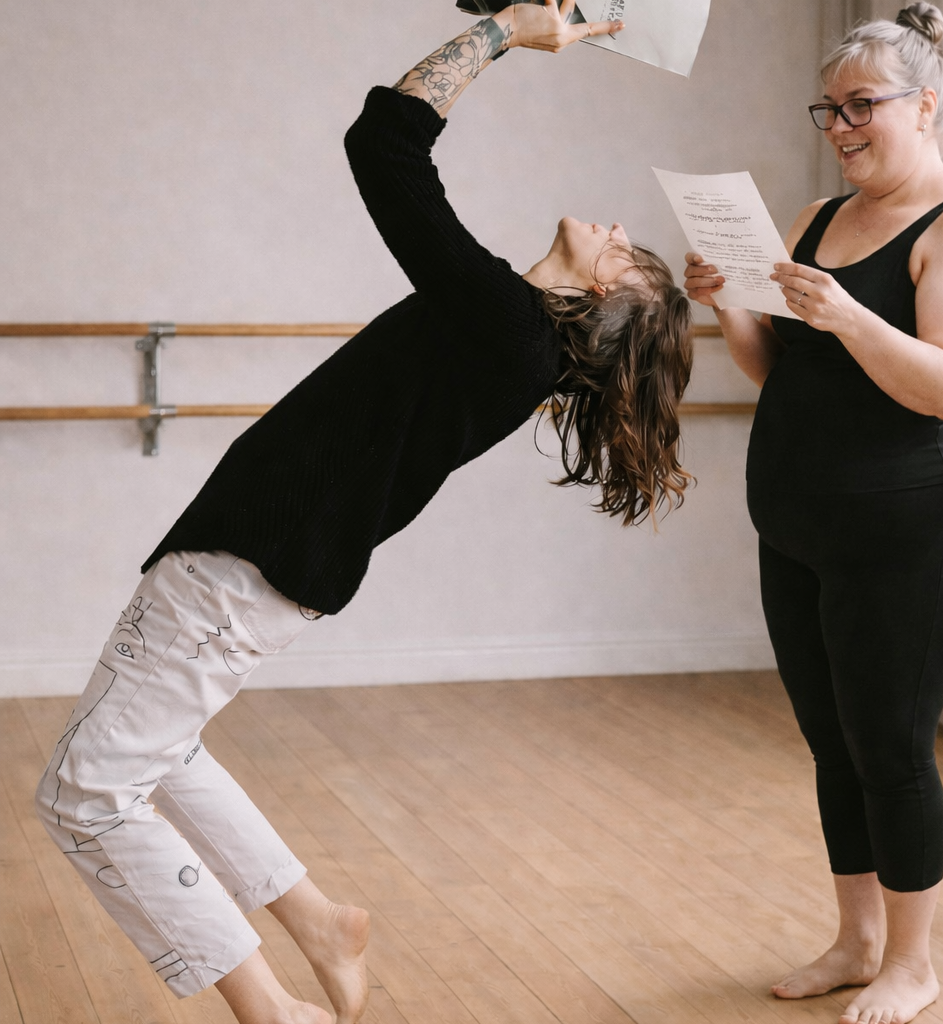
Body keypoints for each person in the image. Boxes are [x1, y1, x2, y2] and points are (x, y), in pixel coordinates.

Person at [35, 4, 693, 1024]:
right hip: (256, 564)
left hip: (243, 563)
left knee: (84, 796)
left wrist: (505, 35)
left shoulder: (504, 325)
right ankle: (319, 919)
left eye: (626, 245)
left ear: (611, 290)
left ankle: (268, 1009)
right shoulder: (507, 333)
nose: (611, 227)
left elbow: (383, 142)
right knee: (153, 753)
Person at [683, 5, 943, 1024]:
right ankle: (856, 938)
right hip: (800, 521)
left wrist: (847, 311)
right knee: (831, 739)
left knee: (891, 742)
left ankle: (913, 962)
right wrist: (727, 305)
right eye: (829, 109)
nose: (839, 126)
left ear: (925, 104)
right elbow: (775, 368)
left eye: (860, 105)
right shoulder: (814, 221)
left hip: (917, 524)